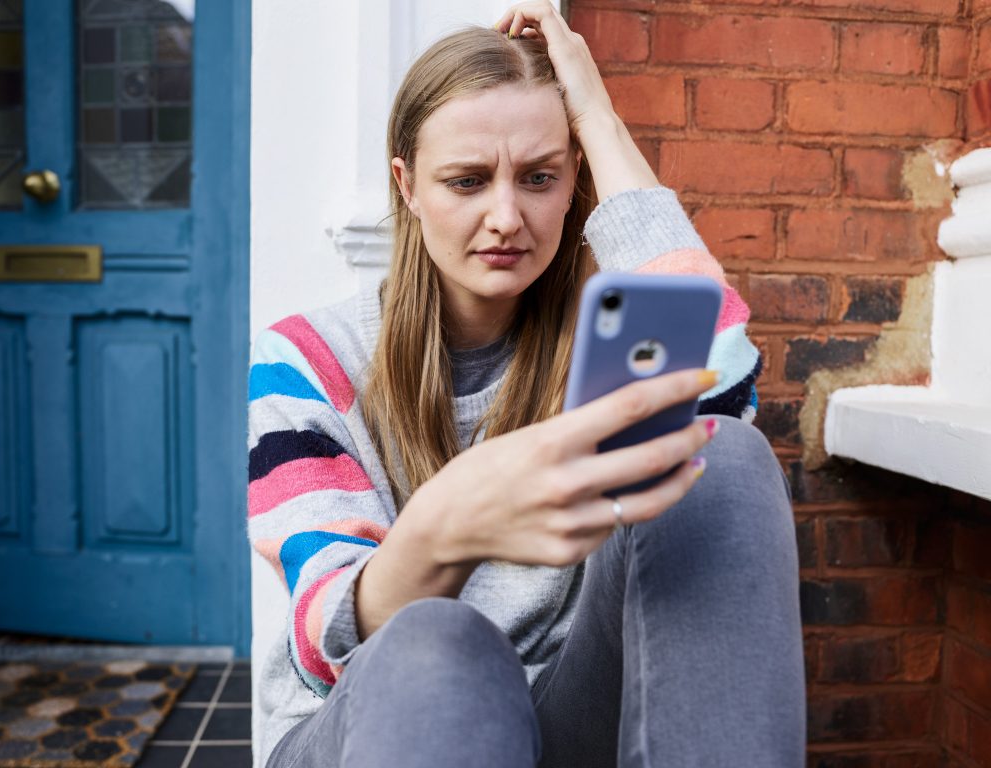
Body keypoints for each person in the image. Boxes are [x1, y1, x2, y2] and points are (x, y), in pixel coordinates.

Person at [248, 3, 805, 766]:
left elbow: (724, 397)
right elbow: (327, 639)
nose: (506, 216)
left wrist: (599, 119)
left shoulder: (609, 351)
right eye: (467, 181)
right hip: (370, 718)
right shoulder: (307, 359)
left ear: (574, 178)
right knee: (441, 641)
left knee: (725, 454)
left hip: (564, 718)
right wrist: (445, 523)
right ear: (407, 186)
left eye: (540, 177)